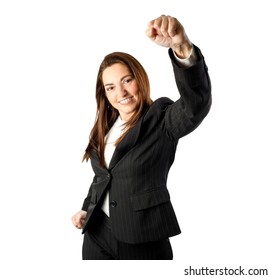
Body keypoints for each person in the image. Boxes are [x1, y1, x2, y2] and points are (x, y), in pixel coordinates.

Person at [71, 15, 211, 260]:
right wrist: (87, 208)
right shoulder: (105, 126)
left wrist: (181, 47)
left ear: (140, 79)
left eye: (127, 80)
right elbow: (103, 175)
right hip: (96, 234)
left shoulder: (161, 119)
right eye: (110, 87)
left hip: (143, 237)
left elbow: (194, 106)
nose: (121, 92)